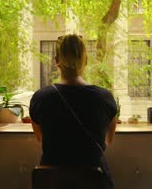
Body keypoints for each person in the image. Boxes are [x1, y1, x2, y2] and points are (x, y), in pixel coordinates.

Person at [29, 34, 118, 188]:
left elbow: (41, 140)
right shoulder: (105, 98)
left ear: (57, 61)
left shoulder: (40, 98)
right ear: (86, 60)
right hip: (93, 181)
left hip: (52, 182)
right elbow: (107, 141)